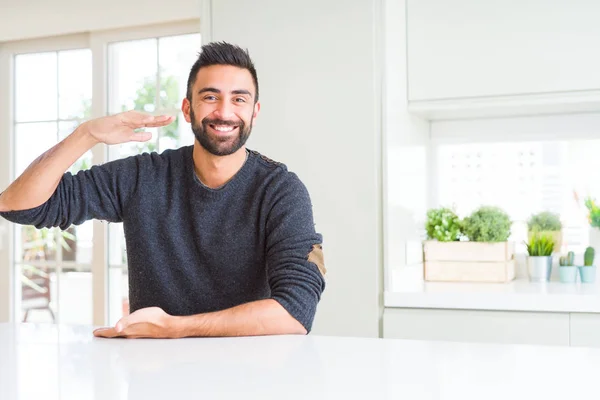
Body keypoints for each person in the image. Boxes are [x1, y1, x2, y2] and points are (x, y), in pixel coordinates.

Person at [0, 41, 326, 339]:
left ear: (254, 111)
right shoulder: (144, 176)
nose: (225, 112)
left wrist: (175, 328)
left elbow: (296, 311)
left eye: (239, 99)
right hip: (153, 376)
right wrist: (85, 135)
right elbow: (18, 205)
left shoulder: (281, 191)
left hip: (249, 377)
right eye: (210, 97)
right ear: (188, 109)